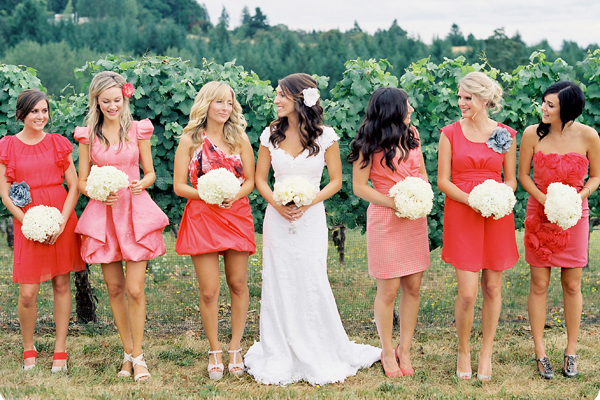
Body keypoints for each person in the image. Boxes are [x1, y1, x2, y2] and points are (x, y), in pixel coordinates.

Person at [245, 73, 380, 385]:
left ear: (299, 99)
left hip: (311, 218)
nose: (276, 100)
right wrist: (277, 203)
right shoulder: (270, 135)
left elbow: (336, 181)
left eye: (282, 95)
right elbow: (261, 179)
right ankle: (279, 348)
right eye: (277, 94)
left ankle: (317, 345)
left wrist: (308, 202)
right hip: (277, 218)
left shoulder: (325, 136)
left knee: (311, 277)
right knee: (278, 279)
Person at [74, 71, 169, 382]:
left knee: (135, 289)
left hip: (134, 211)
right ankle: (129, 354)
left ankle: (138, 356)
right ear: (96, 101)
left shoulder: (138, 130)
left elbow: (150, 172)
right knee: (115, 288)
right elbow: (82, 181)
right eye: (106, 101)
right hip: (105, 213)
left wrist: (143, 182)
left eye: (117, 100)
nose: (112, 106)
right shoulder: (88, 135)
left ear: (124, 98)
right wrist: (97, 192)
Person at [437, 71, 519, 382]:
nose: (461, 103)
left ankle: (486, 352)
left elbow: (510, 180)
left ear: (484, 99)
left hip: (495, 215)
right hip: (463, 212)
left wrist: (499, 196)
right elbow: (443, 181)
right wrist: (473, 200)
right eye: (459, 97)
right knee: (468, 293)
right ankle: (463, 350)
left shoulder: (505, 134)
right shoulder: (449, 133)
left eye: (467, 98)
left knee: (493, 287)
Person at [173, 81, 256, 380]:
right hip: (202, 217)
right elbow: (179, 186)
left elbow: (251, 181)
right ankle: (214, 350)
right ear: (206, 104)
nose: (225, 108)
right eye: (219, 101)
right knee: (209, 291)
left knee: (238, 283)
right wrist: (207, 195)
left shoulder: (239, 138)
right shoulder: (189, 140)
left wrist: (232, 195)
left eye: (229, 103)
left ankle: (235, 347)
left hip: (236, 214)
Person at [518, 81, 600, 379]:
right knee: (539, 284)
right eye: (544, 102)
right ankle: (540, 352)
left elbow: (596, 177)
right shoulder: (532, 134)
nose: (543, 108)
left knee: (573, 285)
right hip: (539, 213)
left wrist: (578, 198)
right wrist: (545, 201)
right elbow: (523, 176)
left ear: (568, 109)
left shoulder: (589, 136)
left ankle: (571, 351)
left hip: (574, 215)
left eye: (550, 105)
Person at [0, 89, 85, 372]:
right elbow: (5, 194)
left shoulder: (58, 143)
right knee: (27, 292)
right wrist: (28, 222)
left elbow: (73, 186)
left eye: (44, 111)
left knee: (61, 284)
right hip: (28, 221)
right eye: (34, 111)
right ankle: (28, 347)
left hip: (60, 217)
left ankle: (60, 349)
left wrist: (61, 222)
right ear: (21, 113)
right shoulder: (8, 145)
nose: (40, 116)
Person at [348, 87, 430, 378]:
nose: (411, 110)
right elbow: (360, 188)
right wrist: (395, 202)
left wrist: (420, 194)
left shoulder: (413, 134)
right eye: (407, 106)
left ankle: (404, 349)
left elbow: (421, 173)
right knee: (389, 289)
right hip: (385, 216)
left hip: (413, 217)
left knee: (413, 287)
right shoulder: (367, 142)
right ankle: (386, 350)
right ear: (393, 110)